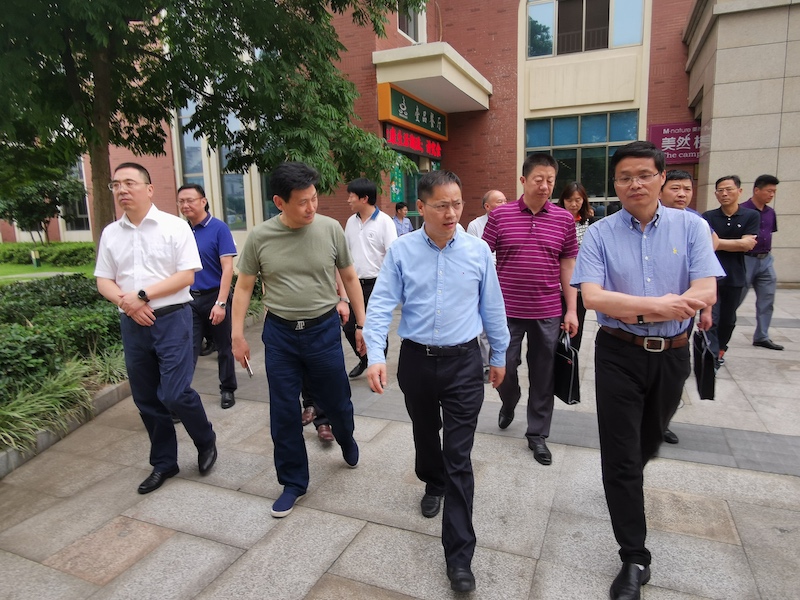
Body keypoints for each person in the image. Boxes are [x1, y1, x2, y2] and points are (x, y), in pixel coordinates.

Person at [571, 141, 723, 600]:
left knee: (647, 442)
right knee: (620, 456)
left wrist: (648, 306)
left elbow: (705, 291)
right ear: (614, 184)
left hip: (673, 354)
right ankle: (634, 557)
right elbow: (594, 297)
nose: (634, 184)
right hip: (618, 352)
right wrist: (659, 306)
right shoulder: (599, 234)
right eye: (624, 177)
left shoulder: (691, 226)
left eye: (643, 175)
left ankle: (627, 476)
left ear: (661, 178)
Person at [364, 170, 510, 593]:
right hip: (417, 360)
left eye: (457, 203)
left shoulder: (479, 251)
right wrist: (376, 355)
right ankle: (432, 479)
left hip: (464, 363)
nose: (451, 213)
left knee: (459, 456)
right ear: (421, 207)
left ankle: (460, 557)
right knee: (426, 432)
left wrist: (499, 355)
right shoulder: (402, 250)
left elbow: (493, 307)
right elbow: (381, 305)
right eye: (442, 205)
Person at [230, 161, 366, 519]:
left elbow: (350, 277)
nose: (311, 207)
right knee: (283, 410)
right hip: (281, 335)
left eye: (314, 198)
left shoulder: (330, 229)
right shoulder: (260, 237)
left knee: (337, 401)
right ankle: (293, 482)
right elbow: (243, 287)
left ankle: (346, 436)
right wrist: (237, 334)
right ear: (279, 202)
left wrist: (362, 325)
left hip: (323, 330)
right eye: (302, 201)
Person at [94, 163, 218, 494]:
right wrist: (128, 304)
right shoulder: (111, 233)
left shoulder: (174, 227)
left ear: (149, 189)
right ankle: (164, 462)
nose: (122, 189)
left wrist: (141, 296)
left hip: (172, 318)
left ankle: (205, 440)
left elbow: (186, 275)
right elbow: (104, 280)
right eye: (116, 184)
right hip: (133, 322)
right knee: (146, 397)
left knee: (175, 393)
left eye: (129, 183)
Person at [482, 153, 579, 466]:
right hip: (505, 311)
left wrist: (571, 310)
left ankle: (537, 435)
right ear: (523, 180)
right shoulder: (501, 216)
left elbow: (568, 266)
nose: (545, 186)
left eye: (550, 180)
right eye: (539, 179)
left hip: (548, 310)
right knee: (503, 367)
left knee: (543, 374)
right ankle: (509, 401)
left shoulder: (564, 219)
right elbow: (481, 257)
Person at [658, 170, 716, 443]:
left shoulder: (696, 224)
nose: (682, 194)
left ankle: (662, 422)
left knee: (673, 373)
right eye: (675, 188)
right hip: (640, 316)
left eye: (687, 189)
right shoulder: (641, 222)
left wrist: (707, 310)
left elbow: (706, 274)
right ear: (660, 189)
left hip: (682, 315)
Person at [177, 184, 238, 409]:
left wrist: (221, 303)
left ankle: (228, 388)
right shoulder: (180, 231)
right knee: (188, 349)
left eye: (190, 200)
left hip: (215, 295)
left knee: (224, 347)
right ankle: (180, 396)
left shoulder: (219, 228)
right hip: (189, 299)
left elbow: (228, 268)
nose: (185, 205)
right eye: (181, 201)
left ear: (203, 201)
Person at [342, 177, 397, 378]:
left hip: (376, 284)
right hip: (354, 284)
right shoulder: (351, 222)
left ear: (364, 198)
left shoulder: (385, 222)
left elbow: (392, 256)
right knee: (349, 327)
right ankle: (365, 360)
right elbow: (345, 254)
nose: (348, 200)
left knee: (376, 329)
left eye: (351, 196)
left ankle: (378, 368)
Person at [703, 176, 759, 367]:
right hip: (711, 276)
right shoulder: (708, 217)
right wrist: (737, 243)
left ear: (739, 191)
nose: (724, 194)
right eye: (720, 190)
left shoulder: (751, 216)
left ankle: (721, 348)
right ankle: (712, 354)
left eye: (729, 189)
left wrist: (717, 242)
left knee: (728, 319)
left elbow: (747, 245)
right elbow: (707, 244)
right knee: (712, 317)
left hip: (735, 275)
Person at [466, 189, 507, 381]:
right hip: (485, 277)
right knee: (484, 325)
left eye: (505, 201)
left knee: (500, 321)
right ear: (487, 206)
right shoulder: (475, 225)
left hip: (504, 278)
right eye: (499, 201)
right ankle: (484, 364)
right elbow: (474, 255)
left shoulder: (510, 223)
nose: (504, 204)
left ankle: (501, 358)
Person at [739, 175, 783, 350]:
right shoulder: (742, 210)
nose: (771, 195)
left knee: (767, 298)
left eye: (774, 192)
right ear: (756, 190)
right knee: (735, 297)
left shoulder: (770, 212)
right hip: (745, 259)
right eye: (769, 191)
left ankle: (762, 336)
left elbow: (770, 232)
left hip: (765, 260)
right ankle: (718, 333)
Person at [556, 182, 591, 350]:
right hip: (556, 285)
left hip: (579, 286)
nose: (574, 204)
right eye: (569, 200)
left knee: (575, 331)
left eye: (578, 200)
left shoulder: (590, 223)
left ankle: (571, 361)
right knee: (555, 332)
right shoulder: (554, 221)